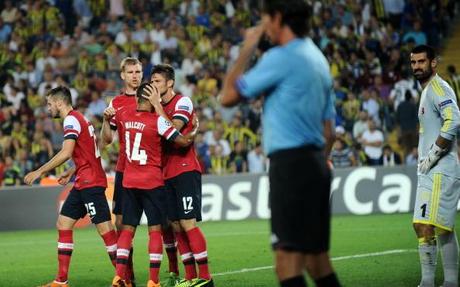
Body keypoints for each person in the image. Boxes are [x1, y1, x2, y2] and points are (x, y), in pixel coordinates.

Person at [220, 1, 341, 287]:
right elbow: (330, 130)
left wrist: (248, 47)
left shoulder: (281, 58)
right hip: (316, 163)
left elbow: (226, 96)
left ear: (278, 18)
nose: (263, 27)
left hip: (291, 165)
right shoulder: (318, 58)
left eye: (265, 20)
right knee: (317, 261)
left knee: (286, 263)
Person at [24, 86, 118, 287]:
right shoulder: (80, 118)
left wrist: (39, 171)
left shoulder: (71, 120)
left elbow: (66, 152)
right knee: (63, 224)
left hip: (91, 182)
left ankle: (124, 278)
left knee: (106, 231)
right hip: (83, 179)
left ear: (59, 103)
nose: (48, 108)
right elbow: (88, 152)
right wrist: (73, 170)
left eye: (50, 104)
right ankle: (61, 281)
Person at [110, 83, 198, 287]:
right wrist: (194, 130)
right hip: (152, 182)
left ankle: (119, 276)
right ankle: (153, 280)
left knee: (127, 231)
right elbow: (182, 141)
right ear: (151, 98)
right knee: (155, 230)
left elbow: (112, 133)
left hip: (129, 181)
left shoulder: (124, 116)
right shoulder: (157, 121)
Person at [149, 64, 214, 287]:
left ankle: (205, 277)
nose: (153, 85)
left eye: (157, 81)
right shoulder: (154, 107)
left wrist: (157, 108)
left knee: (188, 223)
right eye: (152, 81)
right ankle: (189, 277)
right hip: (165, 173)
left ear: (169, 83)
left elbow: (173, 132)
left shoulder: (182, 102)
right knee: (175, 225)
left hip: (185, 169)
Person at [410, 45, 460, 287]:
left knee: (438, 226)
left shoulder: (439, 87)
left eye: (421, 61)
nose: (417, 66)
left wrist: (434, 154)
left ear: (433, 63)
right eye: (413, 62)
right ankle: (430, 281)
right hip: (428, 169)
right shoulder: (426, 90)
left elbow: (454, 120)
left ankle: (445, 282)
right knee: (425, 225)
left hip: (441, 168)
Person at [100, 57, 143, 286]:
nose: (135, 75)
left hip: (151, 169)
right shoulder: (116, 103)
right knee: (121, 225)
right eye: (131, 72)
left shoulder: (150, 98)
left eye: (138, 71)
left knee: (167, 224)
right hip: (125, 171)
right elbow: (106, 141)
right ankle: (130, 277)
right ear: (123, 76)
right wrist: (106, 121)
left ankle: (176, 272)